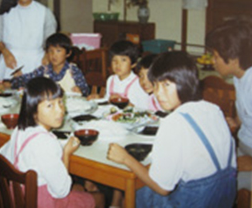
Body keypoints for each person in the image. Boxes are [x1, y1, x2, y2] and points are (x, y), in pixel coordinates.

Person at [107, 51, 237, 207]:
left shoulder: (174, 122)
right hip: (223, 198)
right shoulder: (213, 110)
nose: (158, 93)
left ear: (185, 82)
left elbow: (163, 188)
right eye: (155, 85)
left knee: (139, 188)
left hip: (195, 201)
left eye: (166, 84)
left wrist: (126, 158)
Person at [0, 77, 104, 207]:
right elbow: (61, 191)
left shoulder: (20, 130)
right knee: (99, 198)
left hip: (19, 199)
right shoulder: (46, 142)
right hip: (43, 202)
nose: (60, 110)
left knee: (79, 189)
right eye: (50, 105)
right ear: (33, 111)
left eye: (60, 102)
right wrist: (66, 154)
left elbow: (2, 155)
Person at [205, 19, 252, 192]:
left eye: (215, 56)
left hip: (249, 158)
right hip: (245, 150)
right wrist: (235, 121)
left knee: (215, 186)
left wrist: (247, 162)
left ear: (232, 58)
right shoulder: (240, 77)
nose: (212, 61)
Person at [0, 0, 57, 80]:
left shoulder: (44, 12)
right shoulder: (4, 11)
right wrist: (5, 52)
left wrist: (47, 55)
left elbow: (51, 40)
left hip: (36, 62)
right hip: (10, 61)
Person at [10, 33, 89, 96]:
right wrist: (11, 82)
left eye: (58, 51)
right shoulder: (43, 70)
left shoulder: (73, 70)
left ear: (68, 53)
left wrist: (80, 90)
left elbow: (85, 90)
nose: (54, 55)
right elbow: (26, 79)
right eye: (50, 51)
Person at [104, 40, 140, 105]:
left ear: (133, 64)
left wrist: (123, 102)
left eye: (123, 60)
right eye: (114, 60)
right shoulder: (111, 79)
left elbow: (143, 108)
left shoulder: (138, 83)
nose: (118, 64)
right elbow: (107, 100)